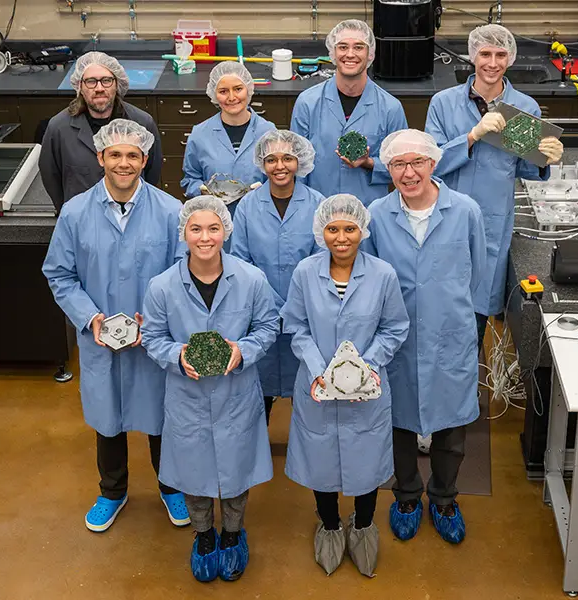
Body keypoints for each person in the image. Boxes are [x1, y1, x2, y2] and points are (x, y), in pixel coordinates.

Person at [42, 119, 190, 534]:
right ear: (100, 157)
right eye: (115, 155)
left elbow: (183, 273)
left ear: (144, 160)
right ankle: (112, 491)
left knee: (163, 414)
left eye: (132, 156)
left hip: (154, 338)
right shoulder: (74, 214)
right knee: (107, 417)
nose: (123, 163)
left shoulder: (170, 211)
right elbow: (60, 274)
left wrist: (156, 319)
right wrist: (92, 318)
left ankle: (172, 486)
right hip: (99, 338)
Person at [141, 196, 280, 583]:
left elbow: (268, 327)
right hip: (187, 396)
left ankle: (233, 533)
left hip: (237, 395)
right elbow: (152, 337)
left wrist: (243, 351)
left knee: (236, 468)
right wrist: (177, 356)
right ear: (183, 232)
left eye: (214, 228)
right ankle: (203, 535)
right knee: (193, 470)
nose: (205, 237)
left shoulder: (251, 279)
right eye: (196, 229)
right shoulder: (162, 286)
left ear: (226, 231)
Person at [362, 129, 486, 545]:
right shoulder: (376, 214)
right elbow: (369, 278)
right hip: (397, 335)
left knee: (452, 423)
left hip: (450, 333)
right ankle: (408, 495)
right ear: (388, 169)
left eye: (417, 162)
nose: (409, 172)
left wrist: (457, 315)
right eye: (398, 164)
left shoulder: (464, 210)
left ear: (434, 164)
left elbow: (478, 273)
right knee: (398, 420)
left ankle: (445, 498)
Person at [281, 194, 409, 577]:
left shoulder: (383, 274)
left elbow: (395, 327)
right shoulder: (305, 272)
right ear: (321, 231)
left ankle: (365, 524)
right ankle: (331, 524)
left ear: (362, 230)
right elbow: (296, 325)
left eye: (349, 228)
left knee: (365, 461)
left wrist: (360, 368)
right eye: (333, 229)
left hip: (367, 388)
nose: (341, 237)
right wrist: (324, 370)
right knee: (321, 461)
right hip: (317, 385)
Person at [425, 24, 563, 350]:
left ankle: (468, 388)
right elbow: (429, 166)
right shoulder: (443, 104)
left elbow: (527, 168)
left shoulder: (524, 108)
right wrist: (472, 135)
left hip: (492, 224)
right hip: (447, 220)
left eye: (500, 54)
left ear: (510, 58)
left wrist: (546, 158)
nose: (492, 62)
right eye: (485, 53)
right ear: (473, 56)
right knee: (439, 311)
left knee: (475, 319)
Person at [230, 130, 325, 423]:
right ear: (261, 163)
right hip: (259, 312)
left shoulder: (317, 203)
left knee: (309, 390)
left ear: (300, 161)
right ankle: (254, 457)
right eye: (271, 159)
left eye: (287, 158)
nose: (279, 166)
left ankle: (309, 454)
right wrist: (272, 303)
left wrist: (293, 305)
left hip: (306, 312)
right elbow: (241, 261)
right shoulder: (247, 205)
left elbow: (321, 260)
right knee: (258, 391)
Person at [290, 20, 408, 206]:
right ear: (333, 54)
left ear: (370, 54)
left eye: (359, 47)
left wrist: (368, 162)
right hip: (318, 210)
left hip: (369, 212)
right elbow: (296, 166)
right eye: (343, 47)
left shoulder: (390, 108)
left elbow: (404, 169)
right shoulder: (308, 103)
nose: (350, 54)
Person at [40, 52, 162, 212]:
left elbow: (152, 172)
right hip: (82, 220)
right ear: (80, 86)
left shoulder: (142, 123)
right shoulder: (59, 128)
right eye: (91, 81)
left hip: (133, 217)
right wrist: (69, 213)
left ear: (117, 84)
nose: (99, 88)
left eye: (106, 81)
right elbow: (50, 175)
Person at [181, 61, 276, 204]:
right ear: (214, 94)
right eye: (223, 91)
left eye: (238, 89)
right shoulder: (200, 134)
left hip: (258, 214)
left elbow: (280, 176)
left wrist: (265, 189)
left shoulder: (269, 132)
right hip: (215, 217)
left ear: (248, 89)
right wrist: (201, 190)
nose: (231, 97)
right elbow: (190, 179)